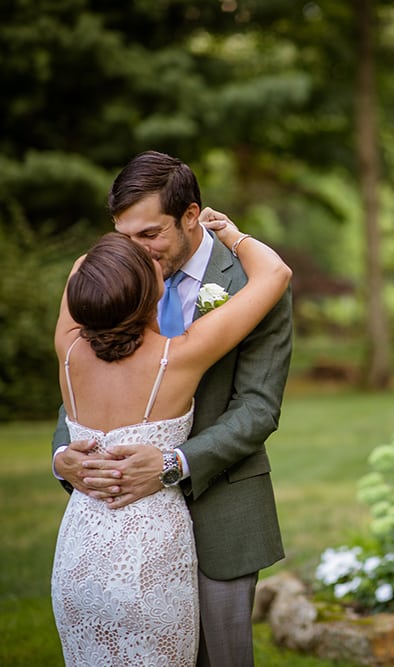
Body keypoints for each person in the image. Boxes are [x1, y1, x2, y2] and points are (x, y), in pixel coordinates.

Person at [51, 150, 294, 666]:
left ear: (191, 215)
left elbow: (257, 408)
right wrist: (62, 456)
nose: (136, 253)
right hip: (114, 522)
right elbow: (79, 395)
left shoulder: (245, 287)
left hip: (219, 506)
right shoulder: (117, 283)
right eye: (123, 237)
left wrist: (171, 464)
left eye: (149, 235)